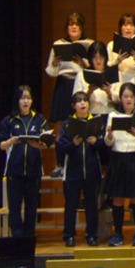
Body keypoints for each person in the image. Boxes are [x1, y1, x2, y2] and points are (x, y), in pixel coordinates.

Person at [103, 82, 135, 247]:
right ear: (121, 98)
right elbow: (108, 142)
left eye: (131, 96)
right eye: (125, 96)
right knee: (118, 199)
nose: (128, 100)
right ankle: (118, 233)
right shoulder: (113, 115)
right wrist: (109, 134)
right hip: (118, 158)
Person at [0, 85, 48, 239]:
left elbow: (46, 143)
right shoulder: (9, 120)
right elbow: (1, 145)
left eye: (28, 98)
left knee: (31, 207)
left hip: (34, 170)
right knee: (15, 207)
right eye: (22, 98)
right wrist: (11, 141)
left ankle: (29, 237)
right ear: (17, 101)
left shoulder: (39, 119)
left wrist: (38, 144)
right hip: (15, 170)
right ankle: (17, 238)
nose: (26, 101)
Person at [46, 12, 92, 177]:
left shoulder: (88, 44)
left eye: (77, 24)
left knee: (81, 123)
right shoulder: (58, 44)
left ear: (82, 28)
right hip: (63, 84)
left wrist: (83, 63)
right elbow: (50, 71)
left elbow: (94, 68)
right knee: (60, 126)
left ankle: (82, 162)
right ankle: (59, 164)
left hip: (80, 84)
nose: (74, 27)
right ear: (66, 27)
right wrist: (54, 64)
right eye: (71, 24)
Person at [58, 91, 103, 247]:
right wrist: (74, 144)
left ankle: (91, 235)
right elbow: (62, 147)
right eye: (79, 101)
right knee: (71, 205)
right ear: (73, 106)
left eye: (85, 100)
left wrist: (95, 142)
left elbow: (104, 146)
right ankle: (69, 235)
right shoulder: (67, 124)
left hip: (92, 171)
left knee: (92, 205)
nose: (83, 103)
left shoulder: (96, 122)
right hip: (73, 172)